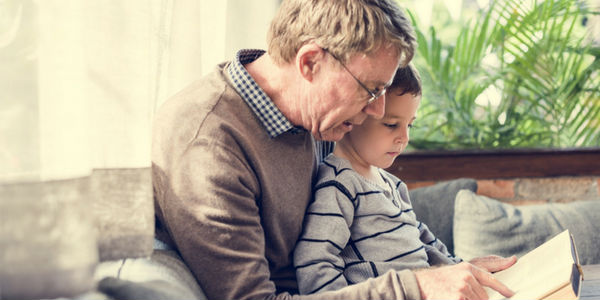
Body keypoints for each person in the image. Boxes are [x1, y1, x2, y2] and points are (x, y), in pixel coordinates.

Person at [151, 0, 516, 299]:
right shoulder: (208, 143)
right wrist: (415, 286)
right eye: (370, 90)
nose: (376, 111)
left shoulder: (319, 117)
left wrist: (448, 270)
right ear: (310, 62)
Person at [294, 64, 462, 294]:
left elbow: (422, 240)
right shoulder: (340, 184)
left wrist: (461, 268)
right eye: (391, 125)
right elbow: (315, 261)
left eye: (410, 124)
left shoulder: (393, 184)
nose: (404, 137)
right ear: (354, 116)